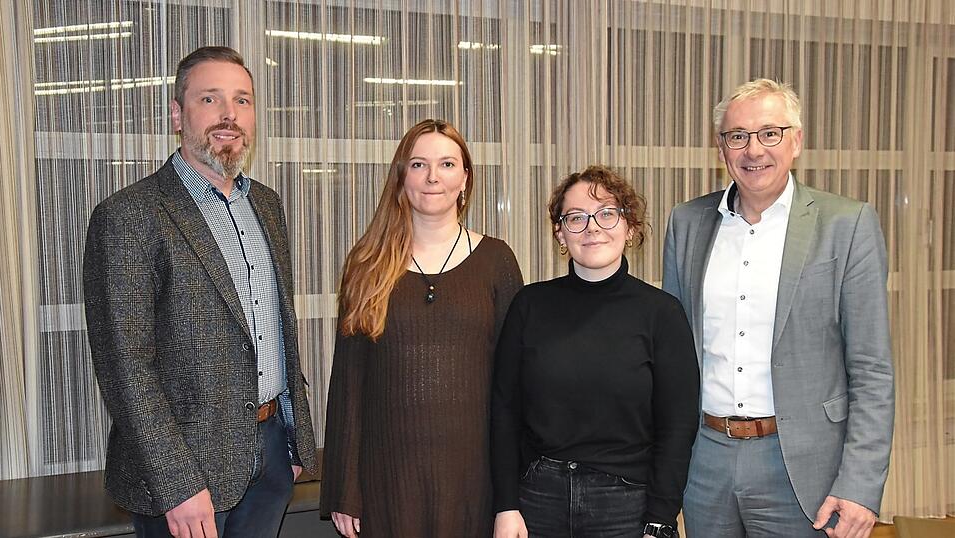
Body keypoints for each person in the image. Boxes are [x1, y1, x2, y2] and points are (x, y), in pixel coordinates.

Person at [83, 46, 317, 538]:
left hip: (271, 454)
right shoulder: (130, 214)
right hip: (188, 476)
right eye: (210, 99)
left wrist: (295, 441)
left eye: (243, 100)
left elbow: (277, 328)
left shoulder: (268, 206)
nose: (229, 114)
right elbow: (125, 367)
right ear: (177, 113)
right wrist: (177, 485)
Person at [662, 79, 894, 538]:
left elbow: (871, 369)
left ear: (797, 140)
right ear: (722, 148)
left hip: (803, 466)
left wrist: (862, 483)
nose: (754, 150)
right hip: (704, 460)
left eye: (770, 133)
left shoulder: (846, 225)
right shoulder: (686, 223)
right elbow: (672, 352)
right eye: (738, 136)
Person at [319, 119, 524, 537]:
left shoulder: (497, 261)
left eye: (447, 164)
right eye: (418, 164)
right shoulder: (367, 264)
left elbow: (514, 387)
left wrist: (511, 498)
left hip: (474, 482)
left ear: (465, 178)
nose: (433, 177)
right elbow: (349, 382)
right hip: (388, 486)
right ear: (401, 178)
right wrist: (344, 487)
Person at [492, 165, 699, 538]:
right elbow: (504, 412)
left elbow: (677, 425)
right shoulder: (529, 306)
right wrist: (506, 505)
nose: (592, 228)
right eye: (576, 217)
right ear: (559, 231)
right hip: (537, 500)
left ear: (630, 226)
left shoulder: (662, 313)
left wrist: (661, 519)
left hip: (626, 506)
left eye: (606, 213)